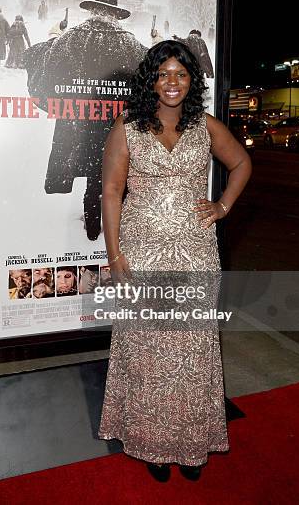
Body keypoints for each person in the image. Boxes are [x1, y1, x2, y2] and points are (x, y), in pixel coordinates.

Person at [98, 40, 252, 482]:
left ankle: (191, 442)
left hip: (196, 254)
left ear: (191, 80)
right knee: (149, 351)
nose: (172, 82)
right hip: (142, 253)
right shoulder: (127, 128)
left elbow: (241, 163)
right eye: (164, 73)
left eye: (181, 74)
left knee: (190, 351)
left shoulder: (206, 126)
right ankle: (151, 444)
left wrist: (222, 206)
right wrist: (114, 253)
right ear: (151, 79)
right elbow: (111, 193)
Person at [27, 0, 146, 241]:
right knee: (114, 176)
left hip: (78, 125)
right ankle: (117, 234)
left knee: (92, 174)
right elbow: (149, 81)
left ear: (93, 10)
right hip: (116, 126)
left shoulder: (68, 39)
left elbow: (45, 82)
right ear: (114, 15)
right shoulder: (131, 44)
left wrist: (62, 106)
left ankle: (92, 229)